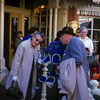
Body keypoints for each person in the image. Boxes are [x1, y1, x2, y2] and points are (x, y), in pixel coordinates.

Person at [5, 32, 45, 100]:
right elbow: (16, 60)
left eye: (40, 41)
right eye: (36, 39)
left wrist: (39, 60)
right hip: (22, 71)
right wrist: (14, 74)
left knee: (30, 88)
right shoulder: (23, 45)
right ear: (32, 37)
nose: (37, 42)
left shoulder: (37, 46)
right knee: (20, 90)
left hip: (32, 70)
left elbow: (38, 55)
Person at [58, 27, 90, 100]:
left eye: (61, 37)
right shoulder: (74, 41)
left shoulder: (73, 41)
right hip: (76, 76)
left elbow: (78, 60)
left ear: (65, 36)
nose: (61, 40)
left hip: (77, 77)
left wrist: (62, 67)